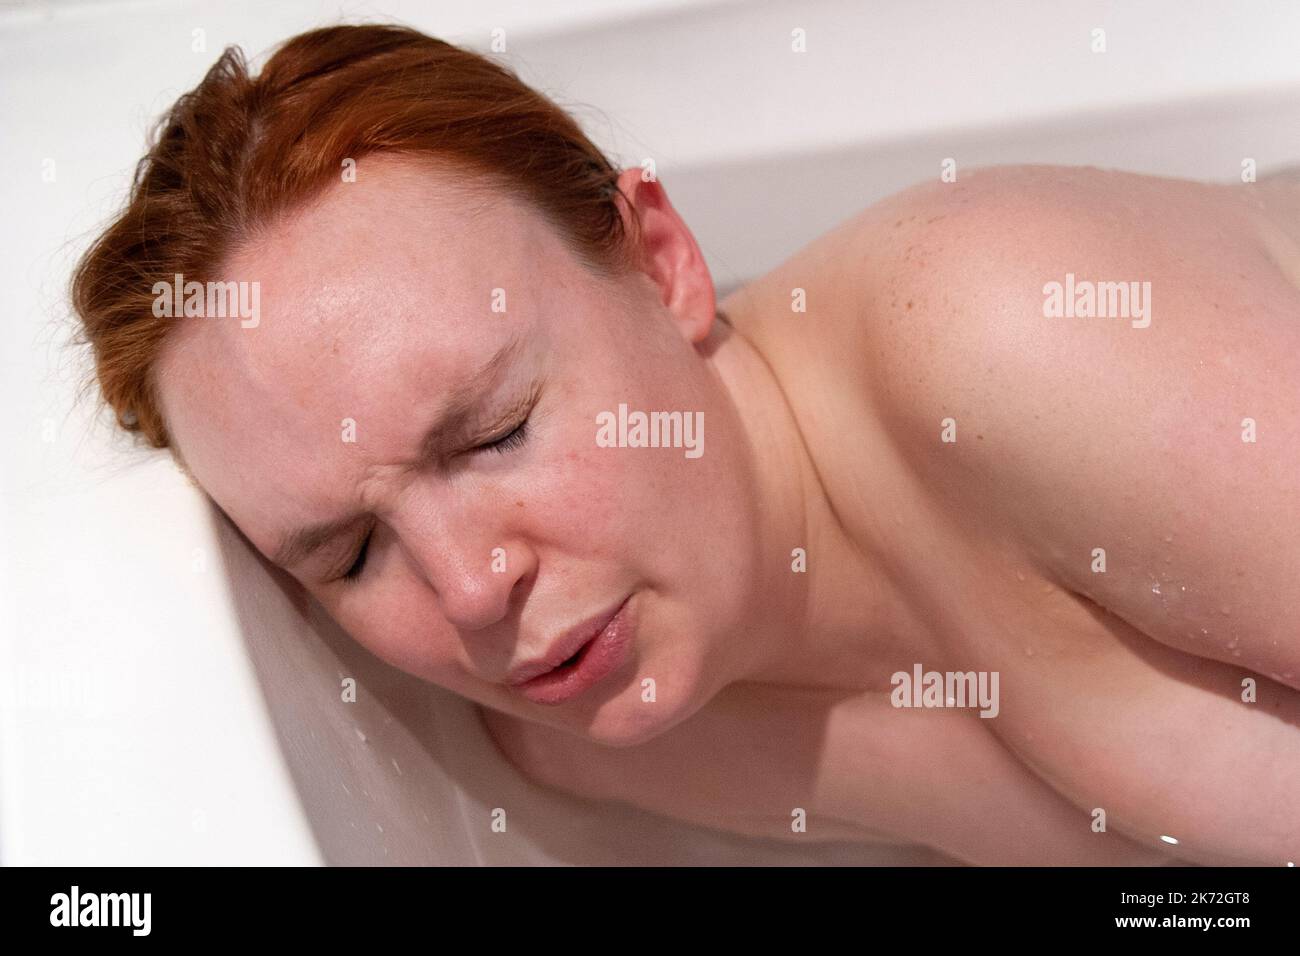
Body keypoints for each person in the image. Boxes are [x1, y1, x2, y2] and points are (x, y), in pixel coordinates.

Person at [70, 23, 1300, 866]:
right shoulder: (622, 737)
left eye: (494, 432)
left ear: (664, 265)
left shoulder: (1006, 334)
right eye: (347, 554)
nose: (466, 585)